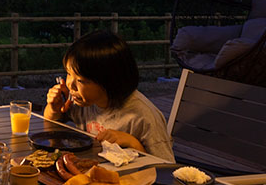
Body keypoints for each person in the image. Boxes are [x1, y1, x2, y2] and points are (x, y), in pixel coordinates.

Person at [44, 30, 175, 161]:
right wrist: (53, 108)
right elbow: (52, 126)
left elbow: (166, 169)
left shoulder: (143, 117)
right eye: (68, 73)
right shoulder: (81, 100)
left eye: (81, 80)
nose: (70, 85)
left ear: (109, 81)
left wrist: (133, 143)